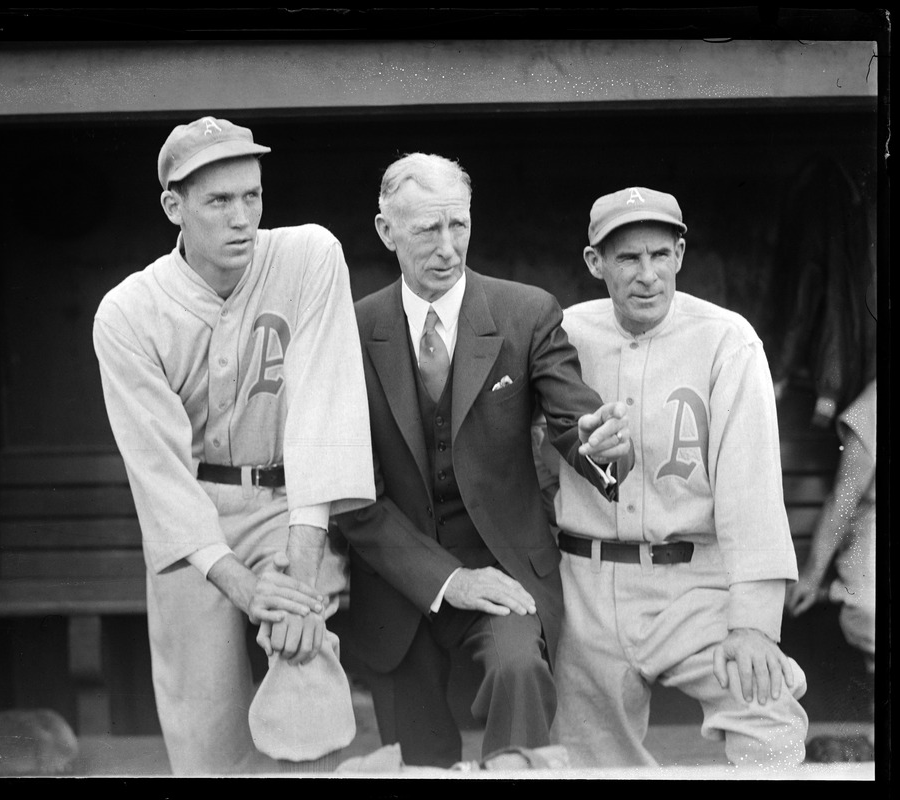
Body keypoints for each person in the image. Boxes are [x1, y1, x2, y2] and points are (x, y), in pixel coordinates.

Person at [92, 117, 375, 775]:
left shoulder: (308, 255)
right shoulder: (128, 312)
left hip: (291, 501)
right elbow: (160, 473)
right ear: (174, 206)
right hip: (194, 513)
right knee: (205, 726)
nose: (241, 217)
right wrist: (243, 588)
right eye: (219, 201)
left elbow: (322, 414)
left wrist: (299, 578)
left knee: (302, 657)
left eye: (251, 195)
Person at [335, 153, 634, 768]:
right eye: (427, 230)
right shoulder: (349, 331)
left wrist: (604, 448)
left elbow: (573, 423)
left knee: (519, 670)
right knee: (417, 761)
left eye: (460, 226)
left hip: (506, 568)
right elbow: (354, 498)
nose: (449, 248)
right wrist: (448, 581)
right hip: (398, 585)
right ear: (386, 231)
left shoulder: (526, 313)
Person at [539, 186, 810, 768]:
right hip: (584, 583)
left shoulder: (726, 340)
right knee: (591, 765)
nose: (648, 275)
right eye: (628, 258)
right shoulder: (562, 334)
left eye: (660, 255)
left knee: (771, 719)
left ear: (681, 254)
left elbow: (752, 491)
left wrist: (756, 624)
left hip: (694, 585)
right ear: (595, 264)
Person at [786, 378, 876, 679]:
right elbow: (843, 499)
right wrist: (812, 577)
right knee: (870, 609)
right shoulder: (875, 404)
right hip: (873, 534)